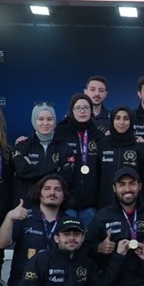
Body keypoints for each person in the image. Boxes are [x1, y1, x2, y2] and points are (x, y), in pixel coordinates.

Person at [0, 173, 71, 286]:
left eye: (57, 189)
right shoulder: (24, 216)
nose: (52, 193)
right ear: (39, 193)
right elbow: (1, 243)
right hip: (23, 284)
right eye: (47, 189)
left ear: (64, 195)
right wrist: (9, 218)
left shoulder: (69, 221)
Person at [52, 93, 103, 227]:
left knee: (89, 238)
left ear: (91, 110)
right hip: (66, 202)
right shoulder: (60, 132)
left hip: (90, 203)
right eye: (78, 108)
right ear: (72, 110)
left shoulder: (98, 135)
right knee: (68, 237)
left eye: (86, 107)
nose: (82, 111)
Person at [98, 105, 144, 207]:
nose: (121, 122)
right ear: (112, 121)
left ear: (131, 121)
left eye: (126, 119)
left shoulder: (138, 145)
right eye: (117, 118)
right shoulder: (103, 143)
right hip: (106, 203)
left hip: (132, 204)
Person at [12, 102, 60, 204]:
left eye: (50, 119)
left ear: (55, 121)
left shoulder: (63, 146)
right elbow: (22, 170)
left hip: (54, 205)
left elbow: (67, 175)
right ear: (34, 120)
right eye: (40, 119)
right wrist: (55, 167)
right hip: (27, 204)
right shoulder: (22, 145)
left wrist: (32, 169)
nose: (45, 123)